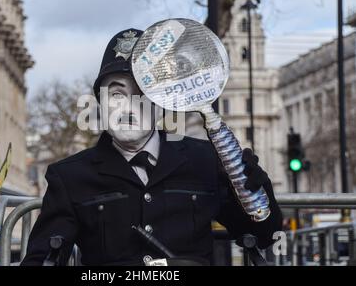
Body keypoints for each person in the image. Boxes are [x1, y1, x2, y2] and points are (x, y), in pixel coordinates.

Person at [22, 29, 283, 266]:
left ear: (160, 103)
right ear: (100, 103)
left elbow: (262, 235)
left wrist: (257, 190)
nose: (129, 106)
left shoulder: (205, 161)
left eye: (143, 93)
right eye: (116, 94)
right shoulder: (71, 176)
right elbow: (43, 256)